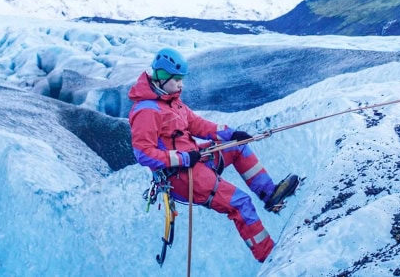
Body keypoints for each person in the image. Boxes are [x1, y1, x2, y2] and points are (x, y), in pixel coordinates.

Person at [128, 47, 300, 263]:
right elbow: (143, 154)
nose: (181, 84)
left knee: (238, 147)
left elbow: (196, 124)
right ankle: (270, 258)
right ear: (162, 77)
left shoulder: (172, 101)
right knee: (240, 203)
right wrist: (183, 158)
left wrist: (230, 134)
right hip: (180, 176)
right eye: (177, 79)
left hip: (193, 160)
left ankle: (271, 195)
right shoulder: (146, 111)